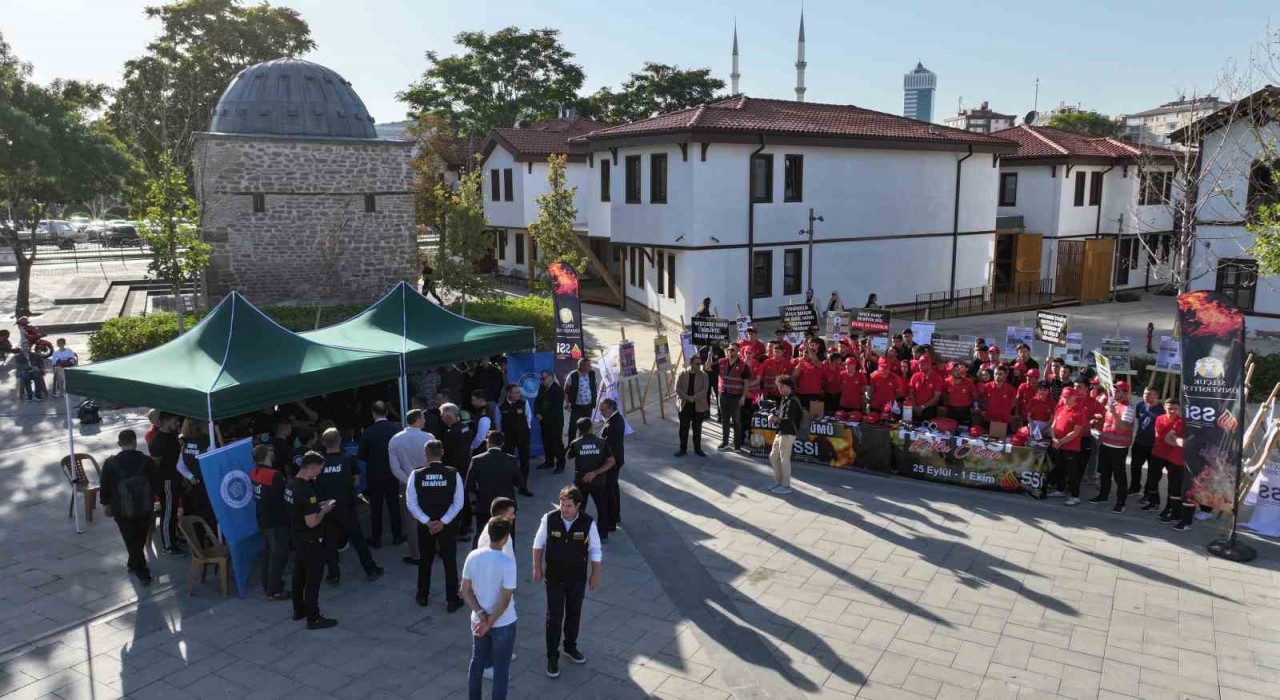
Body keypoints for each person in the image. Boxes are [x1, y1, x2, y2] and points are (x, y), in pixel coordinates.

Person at [533, 485, 603, 679]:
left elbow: (595, 550)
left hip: (577, 578)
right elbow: (538, 544)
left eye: (569, 506)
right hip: (554, 577)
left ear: (578, 505)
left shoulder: (588, 523)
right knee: (554, 617)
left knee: (574, 613)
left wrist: (595, 574)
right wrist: (537, 568)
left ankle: (570, 647)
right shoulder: (549, 519)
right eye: (562, 504)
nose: (564, 509)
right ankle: (552, 656)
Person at [316, 428, 383, 585]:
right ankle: (371, 570)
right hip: (345, 506)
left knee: (329, 543)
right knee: (358, 540)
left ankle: (333, 575)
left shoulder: (318, 461)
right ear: (339, 440)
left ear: (324, 443)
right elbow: (357, 481)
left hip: (326, 508)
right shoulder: (348, 459)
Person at [462, 517, 518, 700]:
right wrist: (490, 622)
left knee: (477, 663)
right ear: (505, 538)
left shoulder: (473, 556)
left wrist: (481, 615)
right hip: (503, 624)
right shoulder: (508, 563)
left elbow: (465, 590)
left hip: (478, 622)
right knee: (501, 672)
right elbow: (505, 601)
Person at [406, 440, 466, 611]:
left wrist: (427, 521)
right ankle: (452, 600)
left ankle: (422, 595)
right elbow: (459, 502)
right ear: (443, 452)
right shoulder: (453, 473)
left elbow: (411, 503)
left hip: (425, 525)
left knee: (425, 560)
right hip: (446, 525)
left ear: (425, 455)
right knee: (449, 561)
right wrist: (443, 521)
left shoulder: (416, 474)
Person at [99, 430, 161, 585]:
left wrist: (105, 503)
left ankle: (141, 570)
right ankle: (135, 564)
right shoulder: (146, 461)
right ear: (135, 442)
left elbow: (104, 486)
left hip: (121, 509)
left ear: (119, 444)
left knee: (130, 538)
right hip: (145, 507)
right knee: (140, 537)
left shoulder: (110, 463)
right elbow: (156, 484)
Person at [287, 451, 338, 629]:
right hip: (311, 540)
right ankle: (313, 617)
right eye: (319, 470)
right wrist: (324, 510)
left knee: (298, 576)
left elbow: (300, 509)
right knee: (313, 579)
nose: (319, 473)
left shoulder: (291, 485)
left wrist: (317, 505)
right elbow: (312, 521)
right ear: (311, 467)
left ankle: (298, 610)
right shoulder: (307, 490)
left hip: (297, 538)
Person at [389, 409, 435, 564]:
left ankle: (417, 554)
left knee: (411, 521)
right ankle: (432, 548)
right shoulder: (429, 437)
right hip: (429, 482)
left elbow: (395, 468)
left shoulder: (395, 440)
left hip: (407, 484)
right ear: (417, 420)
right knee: (432, 515)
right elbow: (434, 462)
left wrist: (409, 481)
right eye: (423, 418)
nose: (425, 421)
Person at [465, 431, 522, 548]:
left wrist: (478, 494)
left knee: (481, 535)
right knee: (508, 538)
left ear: (488, 442)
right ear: (503, 443)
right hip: (506, 507)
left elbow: (468, 486)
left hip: (485, 504)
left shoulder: (477, 460)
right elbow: (520, 483)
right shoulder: (512, 460)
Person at [359, 401, 403, 548]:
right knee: (394, 504)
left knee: (376, 507)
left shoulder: (368, 431)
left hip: (375, 473)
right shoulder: (396, 428)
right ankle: (397, 535)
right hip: (392, 471)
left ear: (373, 413)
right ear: (387, 412)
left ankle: (376, 537)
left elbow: (362, 455)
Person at [251, 443, 290, 600]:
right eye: (271, 451)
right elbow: (286, 495)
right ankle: (275, 591)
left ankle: (268, 584)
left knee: (267, 554)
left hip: (262, 519)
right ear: (266, 455)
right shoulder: (274, 475)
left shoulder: (254, 472)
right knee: (278, 555)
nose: (273, 453)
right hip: (277, 520)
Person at [566, 417, 615, 538]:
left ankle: (579, 534)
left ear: (579, 429)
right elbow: (611, 461)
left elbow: (568, 457)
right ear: (591, 427)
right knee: (602, 508)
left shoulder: (575, 443)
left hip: (580, 481)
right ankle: (603, 534)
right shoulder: (602, 442)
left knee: (579, 509)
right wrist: (595, 473)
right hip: (598, 481)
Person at [1091, 380, 1134, 512]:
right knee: (1105, 472)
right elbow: (1107, 422)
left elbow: (1124, 426)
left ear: (1125, 393)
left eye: (1119, 390)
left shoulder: (1129, 408)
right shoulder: (1112, 403)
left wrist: (1114, 412)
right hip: (1106, 443)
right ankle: (1103, 495)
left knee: (1119, 475)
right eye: (1115, 389)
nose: (1115, 392)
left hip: (1119, 448)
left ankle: (1121, 502)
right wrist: (1097, 421)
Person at [147, 412, 185, 557]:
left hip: (174, 478)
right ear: (167, 421)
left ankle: (173, 538)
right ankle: (168, 545)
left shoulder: (172, 435)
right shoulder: (157, 441)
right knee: (168, 512)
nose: (177, 424)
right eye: (175, 421)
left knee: (173, 510)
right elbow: (156, 466)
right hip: (166, 481)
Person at [1047, 387, 1090, 505]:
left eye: (1067, 397)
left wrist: (1060, 441)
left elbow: (1076, 432)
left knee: (1072, 472)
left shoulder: (1078, 412)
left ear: (1074, 397)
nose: (1064, 399)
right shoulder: (1061, 409)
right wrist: (1054, 438)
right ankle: (1060, 490)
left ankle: (1075, 496)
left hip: (1071, 447)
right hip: (1058, 445)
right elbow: (1053, 426)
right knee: (1060, 468)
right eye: (1063, 396)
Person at [441, 402, 475, 539]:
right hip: (465, 466)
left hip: (455, 469)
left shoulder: (451, 432)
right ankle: (467, 524)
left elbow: (447, 453)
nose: (442, 419)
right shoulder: (464, 428)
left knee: (457, 499)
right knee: (464, 496)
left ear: (449, 415)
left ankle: (461, 529)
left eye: (443, 416)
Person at [1154, 397, 1188, 527]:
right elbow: (1165, 438)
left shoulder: (1183, 421)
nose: (1172, 411)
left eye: (1175, 408)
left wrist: (1178, 440)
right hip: (1170, 457)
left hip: (1183, 461)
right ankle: (1171, 510)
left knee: (1180, 489)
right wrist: (1178, 441)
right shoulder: (1178, 423)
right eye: (1170, 408)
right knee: (1172, 486)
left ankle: (1177, 513)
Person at [497, 384, 535, 497]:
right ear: (508, 393)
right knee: (508, 462)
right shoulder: (500, 406)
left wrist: (525, 428)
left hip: (523, 436)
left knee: (524, 462)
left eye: (519, 392)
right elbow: (498, 423)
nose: (518, 394)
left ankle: (523, 487)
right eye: (515, 392)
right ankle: (507, 487)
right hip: (508, 438)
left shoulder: (524, 403)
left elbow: (529, 417)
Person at [768, 376, 803, 495]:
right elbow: (781, 413)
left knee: (784, 460)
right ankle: (779, 482)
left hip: (788, 433)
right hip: (781, 431)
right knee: (773, 456)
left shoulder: (793, 400)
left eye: (781, 386)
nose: (779, 389)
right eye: (778, 387)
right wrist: (775, 415)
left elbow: (789, 419)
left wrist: (776, 419)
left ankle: (785, 485)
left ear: (789, 386)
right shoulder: (785, 398)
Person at [674, 356, 710, 457]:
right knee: (683, 428)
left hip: (698, 405)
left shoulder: (704, 375)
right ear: (691, 364)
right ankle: (683, 448)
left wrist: (693, 398)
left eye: (700, 364)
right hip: (685, 405)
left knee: (697, 428)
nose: (699, 366)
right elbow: (677, 388)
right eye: (697, 364)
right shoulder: (682, 373)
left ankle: (698, 449)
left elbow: (704, 389)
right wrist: (687, 397)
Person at [1132, 386, 1162, 507]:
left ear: (1157, 396)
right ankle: (1134, 487)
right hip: (1139, 442)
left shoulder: (1162, 410)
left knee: (1153, 472)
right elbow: (1139, 420)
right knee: (1135, 466)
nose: (1146, 396)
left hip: (1154, 445)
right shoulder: (1140, 405)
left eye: (1149, 394)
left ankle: (1148, 493)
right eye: (1144, 393)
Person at [717, 345, 750, 451]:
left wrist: (743, 397)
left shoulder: (743, 366)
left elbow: (746, 383)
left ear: (737, 351)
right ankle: (725, 442)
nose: (729, 351)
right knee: (725, 420)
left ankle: (737, 444)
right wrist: (709, 355)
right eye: (728, 350)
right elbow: (707, 367)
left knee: (736, 422)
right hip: (723, 395)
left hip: (736, 397)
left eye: (732, 350)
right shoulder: (721, 362)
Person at [598, 398, 625, 531]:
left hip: (612, 462)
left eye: (603, 410)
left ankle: (612, 518)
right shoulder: (615, 419)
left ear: (610, 408)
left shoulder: (614, 424)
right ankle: (616, 514)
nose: (601, 412)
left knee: (610, 489)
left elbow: (608, 445)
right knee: (613, 487)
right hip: (615, 460)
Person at [534, 370, 566, 471]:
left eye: (544, 378)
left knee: (556, 443)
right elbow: (537, 402)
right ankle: (549, 462)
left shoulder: (558, 390)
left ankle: (560, 464)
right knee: (546, 442)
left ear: (551, 377)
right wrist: (537, 413)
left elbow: (555, 408)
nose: (542, 380)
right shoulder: (542, 387)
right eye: (541, 379)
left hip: (555, 421)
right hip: (544, 421)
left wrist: (543, 415)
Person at [564, 358, 598, 447]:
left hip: (588, 406)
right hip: (577, 406)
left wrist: (594, 399)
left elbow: (594, 386)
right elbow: (566, 391)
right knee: (573, 427)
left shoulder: (592, 374)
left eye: (590, 365)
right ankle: (571, 446)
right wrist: (568, 404)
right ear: (581, 366)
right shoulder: (573, 375)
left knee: (586, 427)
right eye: (588, 365)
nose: (590, 367)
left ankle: (582, 445)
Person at [469, 389, 496, 455]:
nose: (472, 403)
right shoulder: (480, 412)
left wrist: (472, 447)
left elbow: (481, 437)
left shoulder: (484, 416)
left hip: (482, 450)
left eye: (474, 400)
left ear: (481, 400)